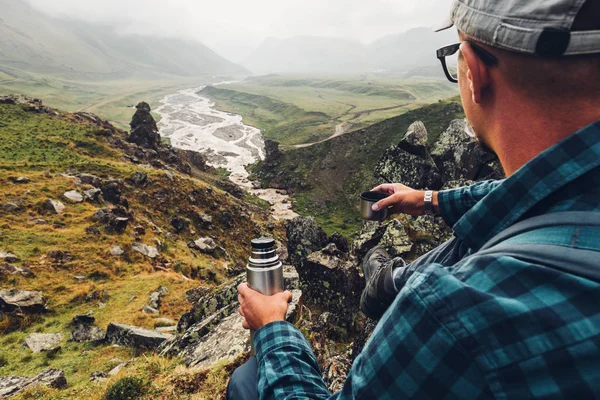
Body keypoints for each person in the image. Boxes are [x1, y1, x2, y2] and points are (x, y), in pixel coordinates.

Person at [229, 0, 600, 398]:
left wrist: (272, 328)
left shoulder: (454, 311)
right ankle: (387, 279)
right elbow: (536, 195)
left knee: (247, 382)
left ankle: (388, 280)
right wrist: (428, 199)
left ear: (474, 72)